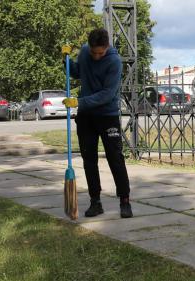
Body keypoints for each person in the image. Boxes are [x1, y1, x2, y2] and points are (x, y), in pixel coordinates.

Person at [61, 28, 132, 218]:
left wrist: (79, 102)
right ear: (89, 47)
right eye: (94, 52)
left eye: (100, 52)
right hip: (86, 116)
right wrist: (66, 60)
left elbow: (107, 94)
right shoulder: (85, 51)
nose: (97, 56)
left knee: (115, 157)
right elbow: (76, 72)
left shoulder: (114, 62)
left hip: (107, 115)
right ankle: (95, 202)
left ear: (107, 46)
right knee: (88, 159)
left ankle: (124, 200)